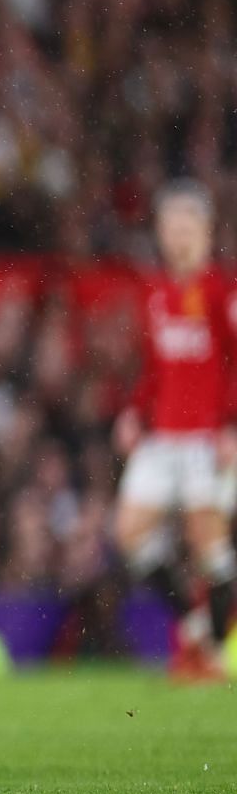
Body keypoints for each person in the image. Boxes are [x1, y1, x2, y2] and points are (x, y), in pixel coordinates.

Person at [113, 180, 237, 682]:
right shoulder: (157, 293)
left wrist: (231, 425)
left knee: (207, 544)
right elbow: (155, 368)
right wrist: (133, 414)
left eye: (189, 226)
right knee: (129, 534)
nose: (180, 236)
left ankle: (205, 649)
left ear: (206, 232)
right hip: (162, 436)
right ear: (162, 232)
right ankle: (194, 632)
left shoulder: (223, 292)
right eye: (172, 226)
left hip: (209, 437)